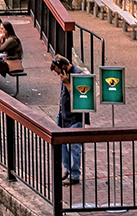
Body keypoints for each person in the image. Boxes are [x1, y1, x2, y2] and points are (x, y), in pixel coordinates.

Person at [52, 54, 87, 185]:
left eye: (59, 72)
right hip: (63, 115)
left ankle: (75, 174)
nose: (58, 76)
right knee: (62, 145)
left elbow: (80, 98)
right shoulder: (64, 75)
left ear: (65, 67)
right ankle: (68, 169)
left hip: (75, 117)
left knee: (73, 146)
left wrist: (67, 83)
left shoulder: (79, 76)